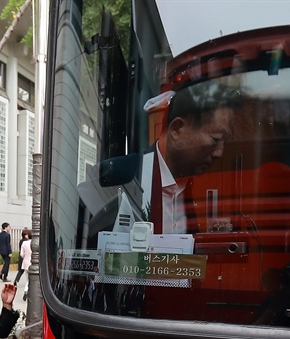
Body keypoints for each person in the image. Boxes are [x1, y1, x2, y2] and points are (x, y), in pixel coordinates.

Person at [98, 83, 236, 234]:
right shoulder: (116, 177)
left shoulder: (200, 192)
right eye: (215, 139)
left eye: (225, 142)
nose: (220, 153)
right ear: (176, 129)